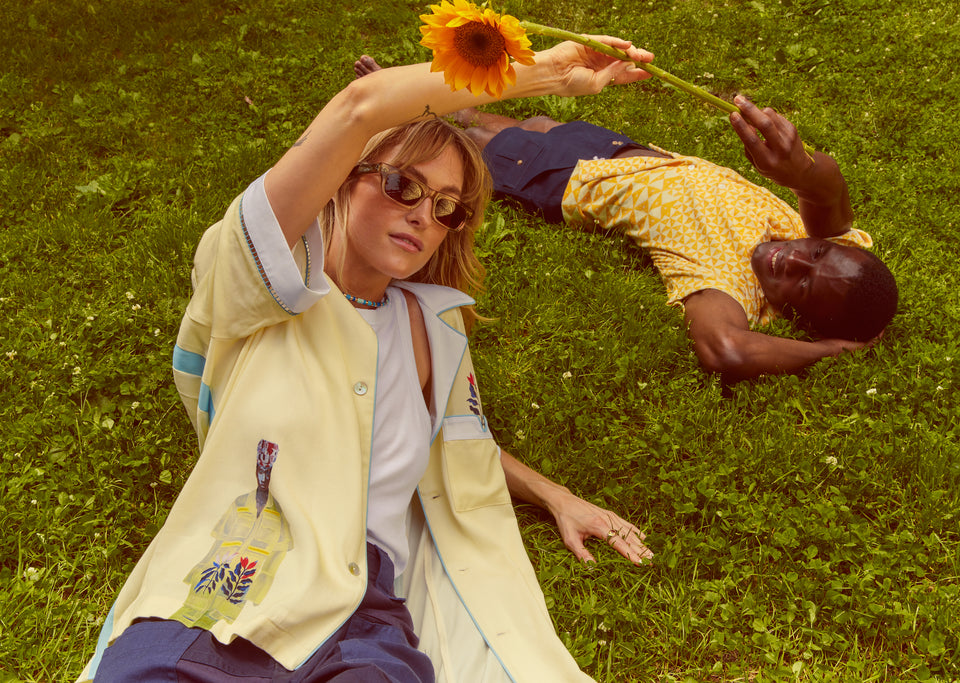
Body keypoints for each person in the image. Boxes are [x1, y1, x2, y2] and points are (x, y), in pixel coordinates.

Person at [79, 37, 655, 683]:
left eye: (445, 207)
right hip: (223, 587)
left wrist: (556, 494)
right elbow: (359, 107)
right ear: (342, 178)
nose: (422, 215)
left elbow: (447, 440)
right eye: (402, 184)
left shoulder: (432, 328)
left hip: (363, 610)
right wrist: (540, 74)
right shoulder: (257, 285)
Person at [402, 83, 898, 383]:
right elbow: (830, 188)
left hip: (575, 182)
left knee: (475, 146)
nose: (792, 259)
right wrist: (803, 171)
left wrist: (831, 351)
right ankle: (449, 108)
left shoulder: (731, 286)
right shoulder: (829, 251)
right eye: (813, 253)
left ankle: (404, 114)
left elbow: (724, 349)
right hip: (628, 153)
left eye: (802, 285)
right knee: (535, 122)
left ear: (795, 315)